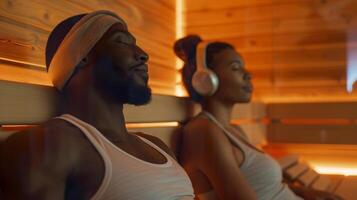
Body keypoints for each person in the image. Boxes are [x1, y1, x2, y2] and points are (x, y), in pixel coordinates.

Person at [0, 10, 194, 200]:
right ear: (80, 56)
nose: (143, 55)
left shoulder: (156, 146)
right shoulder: (51, 147)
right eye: (121, 42)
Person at [174, 35, 343, 200]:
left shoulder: (234, 130)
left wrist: (305, 192)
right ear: (204, 79)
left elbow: (263, 186)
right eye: (235, 68)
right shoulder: (203, 131)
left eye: (244, 67)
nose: (248, 74)